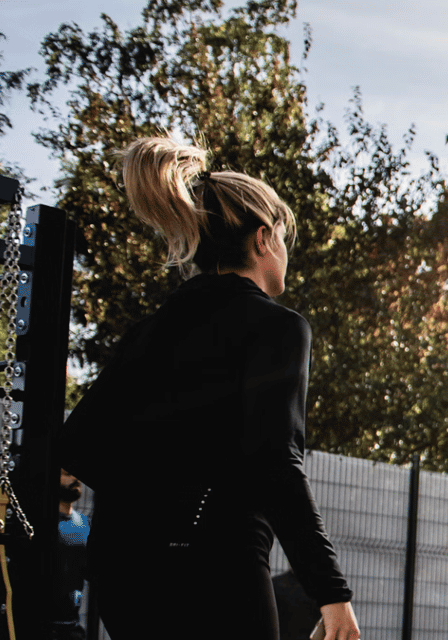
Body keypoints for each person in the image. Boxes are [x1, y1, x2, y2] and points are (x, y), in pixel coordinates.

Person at [55, 137, 359, 640]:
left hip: (122, 572)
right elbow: (277, 462)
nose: (285, 251)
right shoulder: (277, 327)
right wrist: (331, 593)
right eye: (283, 238)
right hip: (219, 569)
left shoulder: (152, 328)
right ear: (263, 239)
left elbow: (78, 444)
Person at [52, 469, 88, 640]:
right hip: (44, 626)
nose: (75, 478)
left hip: (72, 626)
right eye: (67, 474)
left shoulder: (83, 523)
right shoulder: (41, 522)